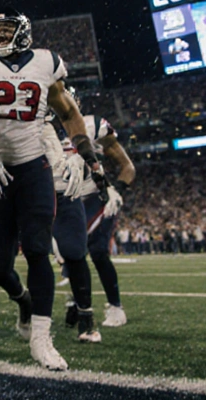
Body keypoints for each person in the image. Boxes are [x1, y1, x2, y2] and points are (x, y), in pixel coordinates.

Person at [0, 10, 108, 371]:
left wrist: (86, 154)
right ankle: (23, 300)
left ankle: (42, 337)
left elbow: (68, 111)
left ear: (23, 34)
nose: (2, 37)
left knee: (38, 250)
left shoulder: (46, 62)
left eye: (8, 30)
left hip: (33, 168)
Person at [53, 101, 134, 342]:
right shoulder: (38, 129)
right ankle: (75, 301)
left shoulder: (93, 125)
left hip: (97, 197)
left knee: (98, 251)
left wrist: (117, 189)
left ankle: (115, 307)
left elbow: (128, 166)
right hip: (65, 200)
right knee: (70, 253)